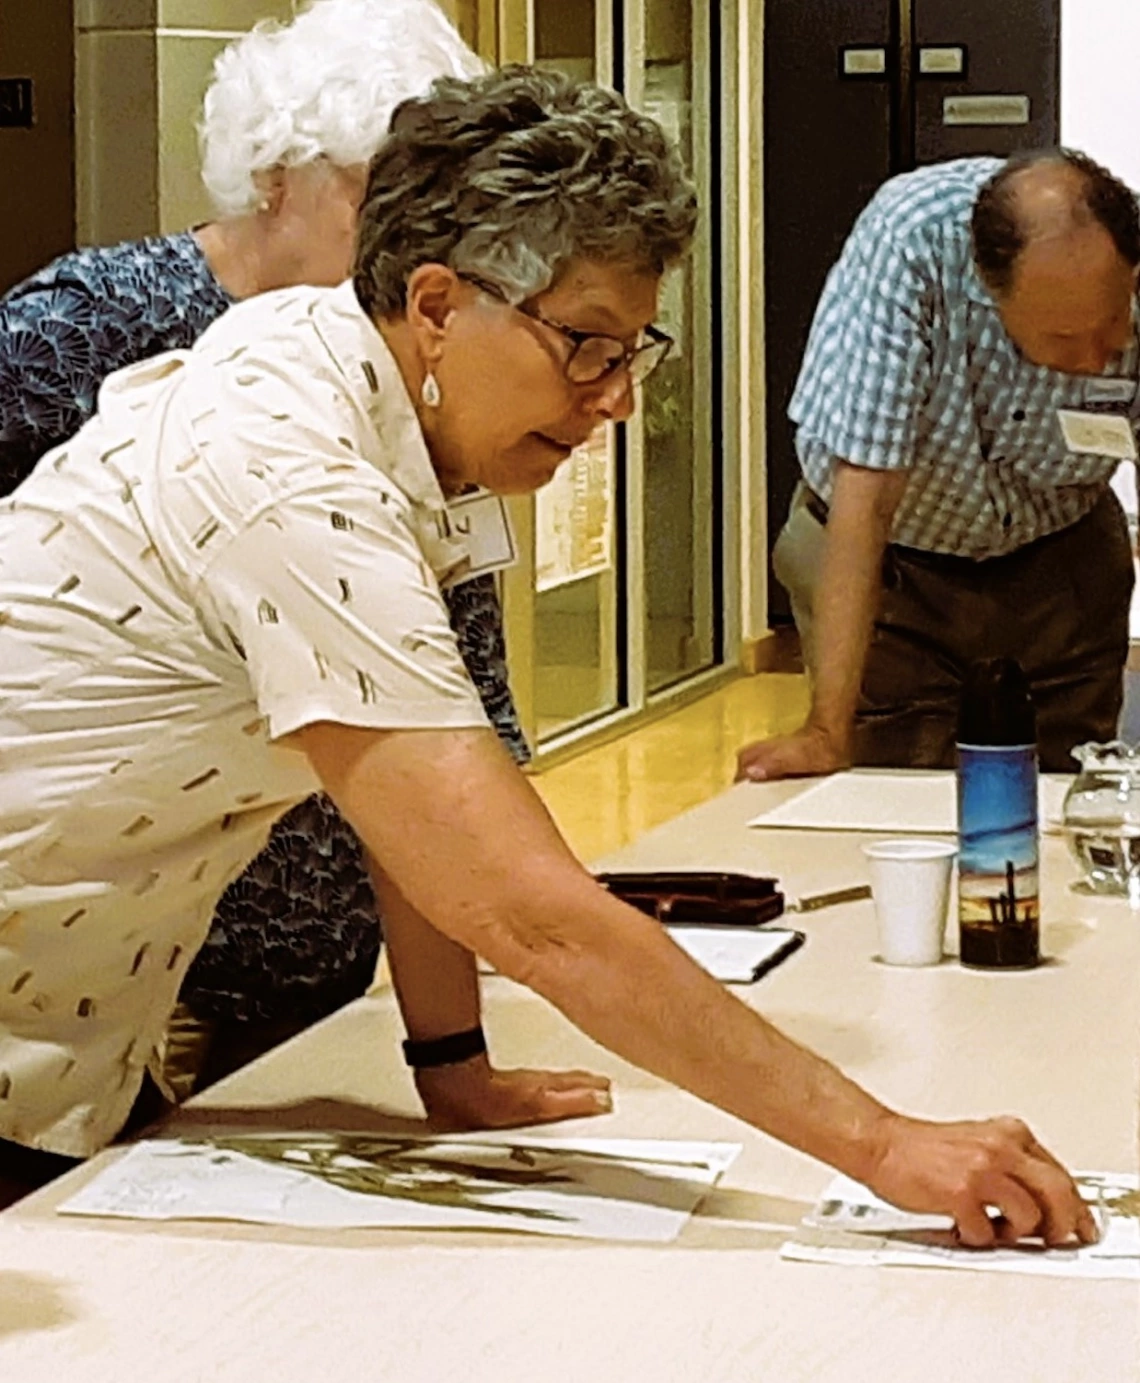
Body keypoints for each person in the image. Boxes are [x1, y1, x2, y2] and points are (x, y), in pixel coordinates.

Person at [0, 67, 1095, 1248]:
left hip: (72, 1032)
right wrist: (888, 1146)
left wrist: (451, 1058)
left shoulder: (375, 403)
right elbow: (528, 909)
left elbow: (405, 794)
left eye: (633, 351)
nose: (616, 399)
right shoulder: (289, 471)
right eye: (585, 347)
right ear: (433, 304)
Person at [0, 0, 530, 1094]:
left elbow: (452, 681)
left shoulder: (413, 361)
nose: (410, 239)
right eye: (374, 194)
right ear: (275, 173)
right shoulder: (91, 323)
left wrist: (456, 1023)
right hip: (115, 963)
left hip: (333, 949)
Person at [738, 149, 1139, 784]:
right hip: (892, 569)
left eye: (1114, 324)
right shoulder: (912, 240)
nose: (1096, 356)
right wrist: (824, 734)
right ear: (988, 289)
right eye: (1063, 339)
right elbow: (865, 498)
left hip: (1062, 563)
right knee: (896, 797)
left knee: (1067, 796)